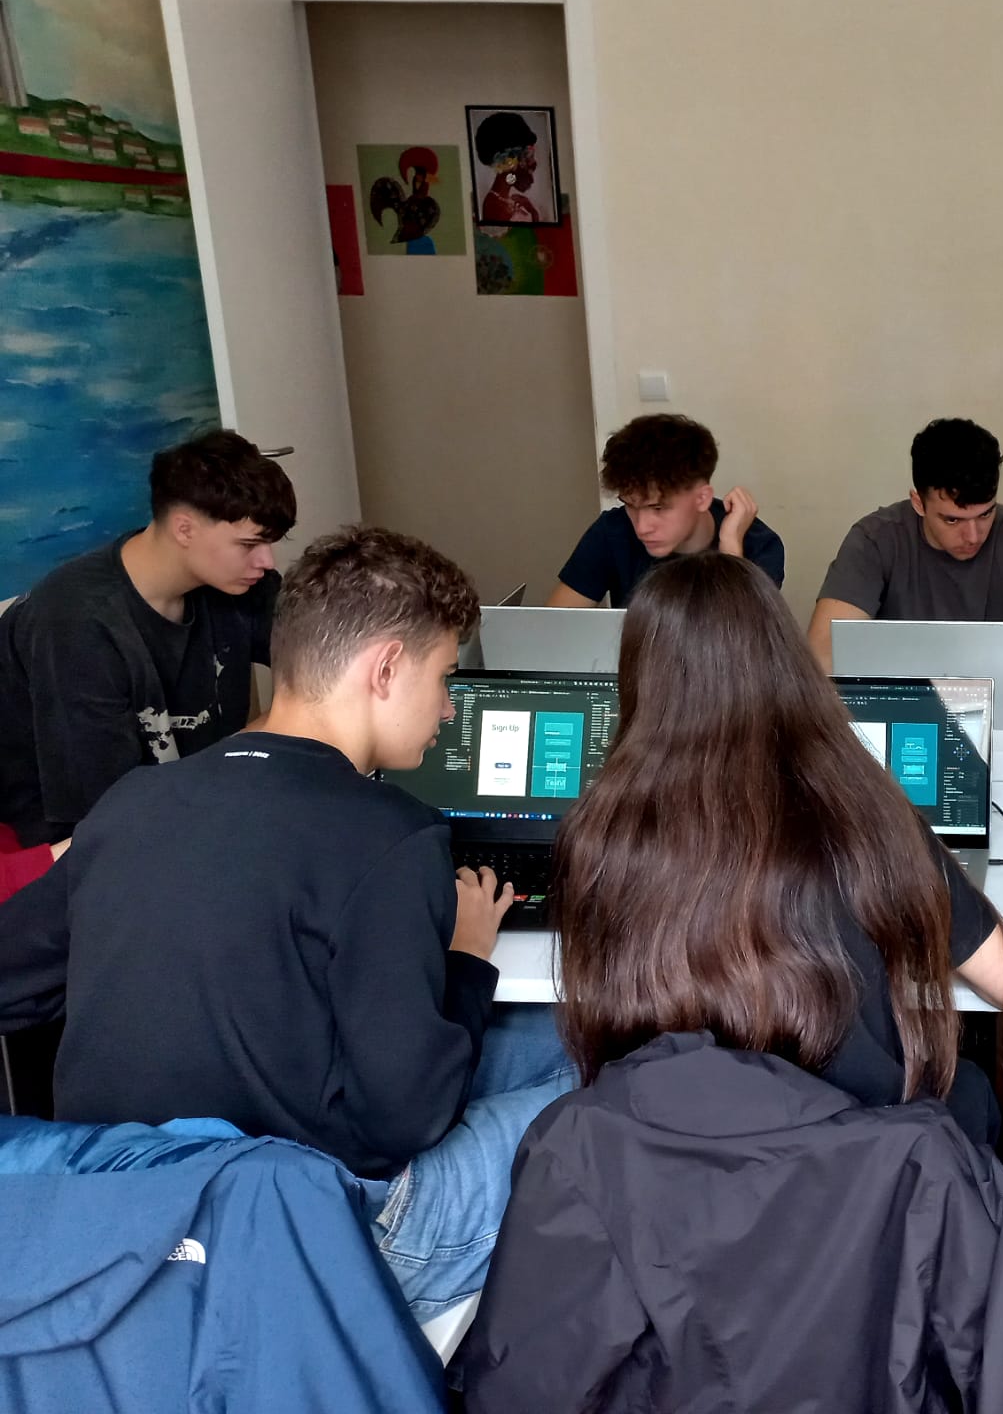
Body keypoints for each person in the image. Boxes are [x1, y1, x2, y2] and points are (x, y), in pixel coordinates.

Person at [0, 526, 575, 1321]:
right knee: (598, 1074)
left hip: (123, 1229)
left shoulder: (134, 802)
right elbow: (403, 1118)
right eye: (445, 677)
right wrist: (468, 960)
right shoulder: (390, 834)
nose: (449, 708)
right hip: (312, 1245)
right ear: (385, 669)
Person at [553, 551, 1003, 1146]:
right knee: (970, 1090)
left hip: (675, 1167)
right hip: (853, 1163)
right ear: (784, 659)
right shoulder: (871, 818)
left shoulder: (600, 836)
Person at [0, 429, 296, 844]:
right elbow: (106, 819)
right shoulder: (78, 625)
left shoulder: (241, 586)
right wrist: (266, 736)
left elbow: (324, 660)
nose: (267, 561)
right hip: (73, 839)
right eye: (249, 544)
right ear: (185, 529)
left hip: (189, 800)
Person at [808, 418, 1003, 687]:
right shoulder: (876, 539)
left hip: (1002, 705)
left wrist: (981, 689)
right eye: (953, 520)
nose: (973, 536)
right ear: (918, 503)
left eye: (985, 514)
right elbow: (822, 653)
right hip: (905, 705)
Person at [547, 413, 785, 607]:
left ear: (702, 498)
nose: (642, 527)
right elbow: (557, 629)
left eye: (658, 507)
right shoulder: (612, 532)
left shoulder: (757, 544)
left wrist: (731, 549)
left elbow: (743, 640)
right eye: (630, 505)